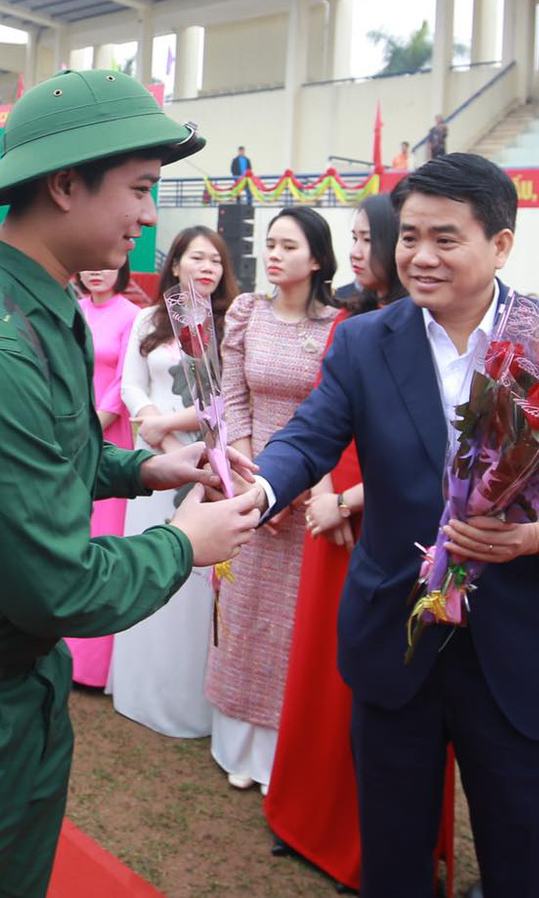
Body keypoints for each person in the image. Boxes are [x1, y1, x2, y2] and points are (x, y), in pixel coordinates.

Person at [0, 69, 262, 898]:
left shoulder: (37, 310)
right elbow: (58, 589)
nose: (147, 214)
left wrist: (142, 468)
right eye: (138, 188)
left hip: (6, 699)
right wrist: (184, 543)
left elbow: (48, 458)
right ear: (65, 184)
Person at [246, 153, 539, 898]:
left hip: (530, 646)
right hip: (398, 644)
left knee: (530, 864)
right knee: (394, 864)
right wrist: (259, 489)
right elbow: (309, 437)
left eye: (445, 238)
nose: (420, 257)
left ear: (501, 244)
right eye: (408, 237)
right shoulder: (366, 342)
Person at [264, 192, 402, 890]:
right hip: (328, 516)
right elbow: (324, 420)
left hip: (389, 524)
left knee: (377, 688)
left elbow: (443, 451)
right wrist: (316, 490)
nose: (355, 250)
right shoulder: (353, 322)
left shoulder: (431, 328)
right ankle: (304, 817)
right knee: (320, 667)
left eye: (365, 237)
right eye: (349, 236)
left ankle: (361, 838)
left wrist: (347, 496)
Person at [207, 205, 341, 791]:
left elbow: (340, 419)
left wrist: (298, 490)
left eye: (289, 245)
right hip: (250, 482)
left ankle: (284, 753)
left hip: (313, 494)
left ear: (317, 258)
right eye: (270, 244)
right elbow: (232, 398)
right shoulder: (246, 315)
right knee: (242, 615)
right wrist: (251, 477)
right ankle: (237, 747)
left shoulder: (340, 328)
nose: (275, 254)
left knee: (291, 625)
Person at [112, 225, 240, 738]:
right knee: (147, 562)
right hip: (153, 463)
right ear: (175, 264)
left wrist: (172, 428)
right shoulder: (149, 318)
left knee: (194, 574)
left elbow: (226, 398)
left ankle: (189, 701)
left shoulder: (231, 323)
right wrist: (158, 435)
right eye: (196, 258)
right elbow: (130, 384)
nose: (206, 268)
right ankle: (141, 688)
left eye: (215, 260)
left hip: (207, 464)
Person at [69, 260, 141, 689]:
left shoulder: (132, 316)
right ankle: (68, 650)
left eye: (105, 268)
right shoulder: (73, 309)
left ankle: (98, 665)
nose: (96, 273)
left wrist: (96, 420)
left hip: (110, 432)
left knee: (105, 539)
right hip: (72, 428)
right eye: (90, 269)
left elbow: (124, 378)